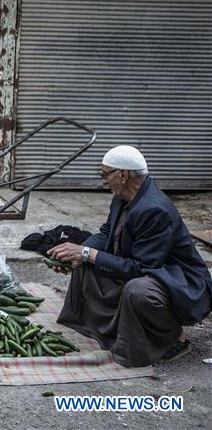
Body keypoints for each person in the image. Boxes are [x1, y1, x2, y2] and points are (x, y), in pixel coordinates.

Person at [49, 145, 212, 367]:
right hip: (150, 272)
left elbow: (141, 268)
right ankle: (107, 329)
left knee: (138, 291)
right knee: (86, 261)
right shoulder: (123, 196)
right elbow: (107, 232)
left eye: (105, 174)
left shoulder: (155, 209)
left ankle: (175, 339)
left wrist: (87, 253)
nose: (103, 180)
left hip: (181, 284)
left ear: (123, 175)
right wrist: (75, 252)